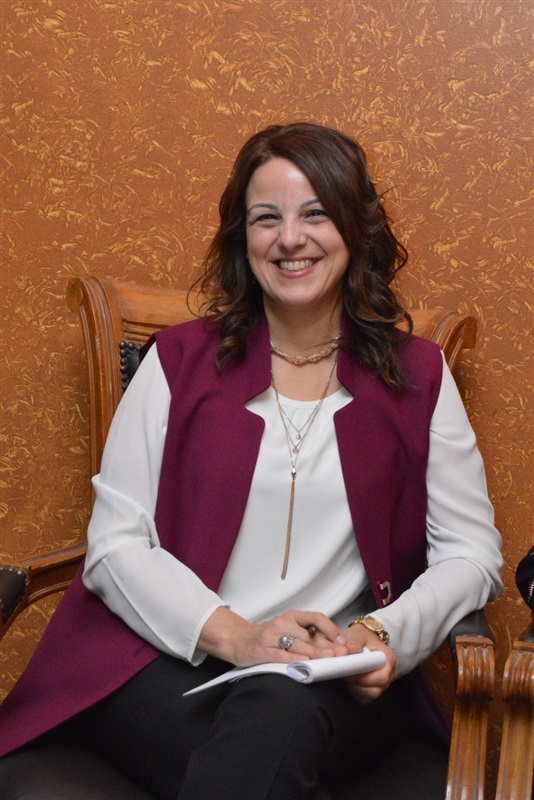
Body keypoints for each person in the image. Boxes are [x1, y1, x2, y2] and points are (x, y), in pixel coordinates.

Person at [0, 122, 503, 798]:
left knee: (279, 707)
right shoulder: (177, 361)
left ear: (355, 228)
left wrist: (385, 633)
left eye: (315, 214)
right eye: (267, 218)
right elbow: (116, 545)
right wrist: (238, 638)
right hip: (168, 663)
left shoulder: (420, 374)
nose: (290, 238)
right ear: (244, 238)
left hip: (336, 676)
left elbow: (472, 554)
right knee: (271, 730)